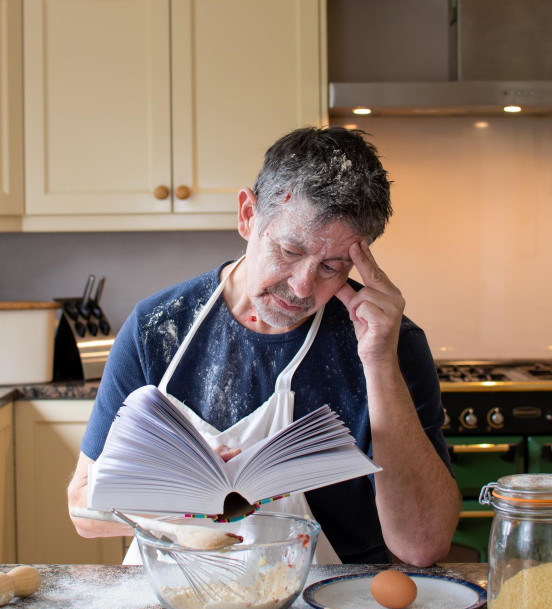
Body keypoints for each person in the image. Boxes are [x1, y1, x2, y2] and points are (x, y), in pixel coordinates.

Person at [68, 126, 461, 566]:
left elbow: (422, 546)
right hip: (175, 605)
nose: (302, 286)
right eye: (289, 251)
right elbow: (83, 505)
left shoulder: (390, 343)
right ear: (248, 215)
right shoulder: (157, 327)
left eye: (332, 267)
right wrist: (180, 498)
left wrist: (379, 363)